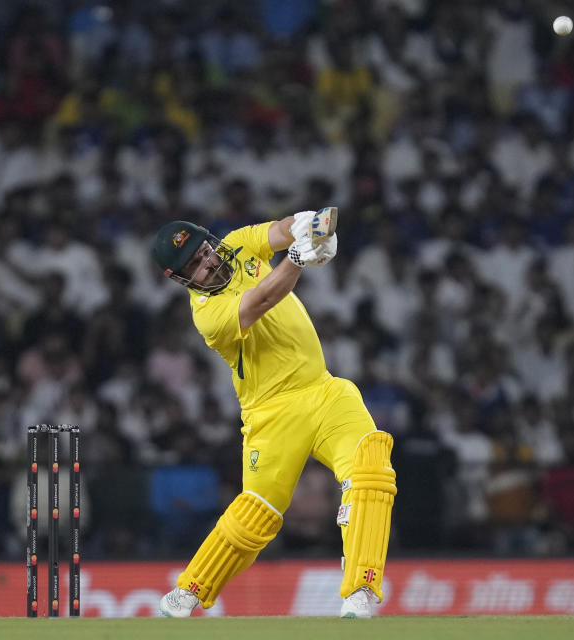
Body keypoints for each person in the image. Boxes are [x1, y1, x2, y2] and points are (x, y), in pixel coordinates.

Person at [151, 211, 397, 619]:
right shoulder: (206, 314)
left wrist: (315, 231)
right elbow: (262, 299)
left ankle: (362, 590)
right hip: (271, 413)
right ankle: (189, 590)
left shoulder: (239, 244)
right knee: (257, 515)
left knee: (370, 469)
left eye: (204, 251)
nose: (207, 262)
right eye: (193, 264)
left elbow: (293, 226)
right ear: (180, 279)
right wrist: (298, 259)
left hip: (324, 390)